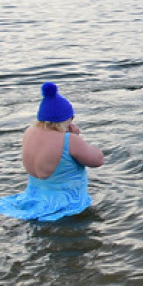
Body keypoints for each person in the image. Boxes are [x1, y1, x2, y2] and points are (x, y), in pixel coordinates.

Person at [0, 83, 105, 221]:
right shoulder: (69, 140)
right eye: (71, 117)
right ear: (66, 119)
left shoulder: (29, 132)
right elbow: (98, 160)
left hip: (33, 198)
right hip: (64, 204)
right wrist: (77, 138)